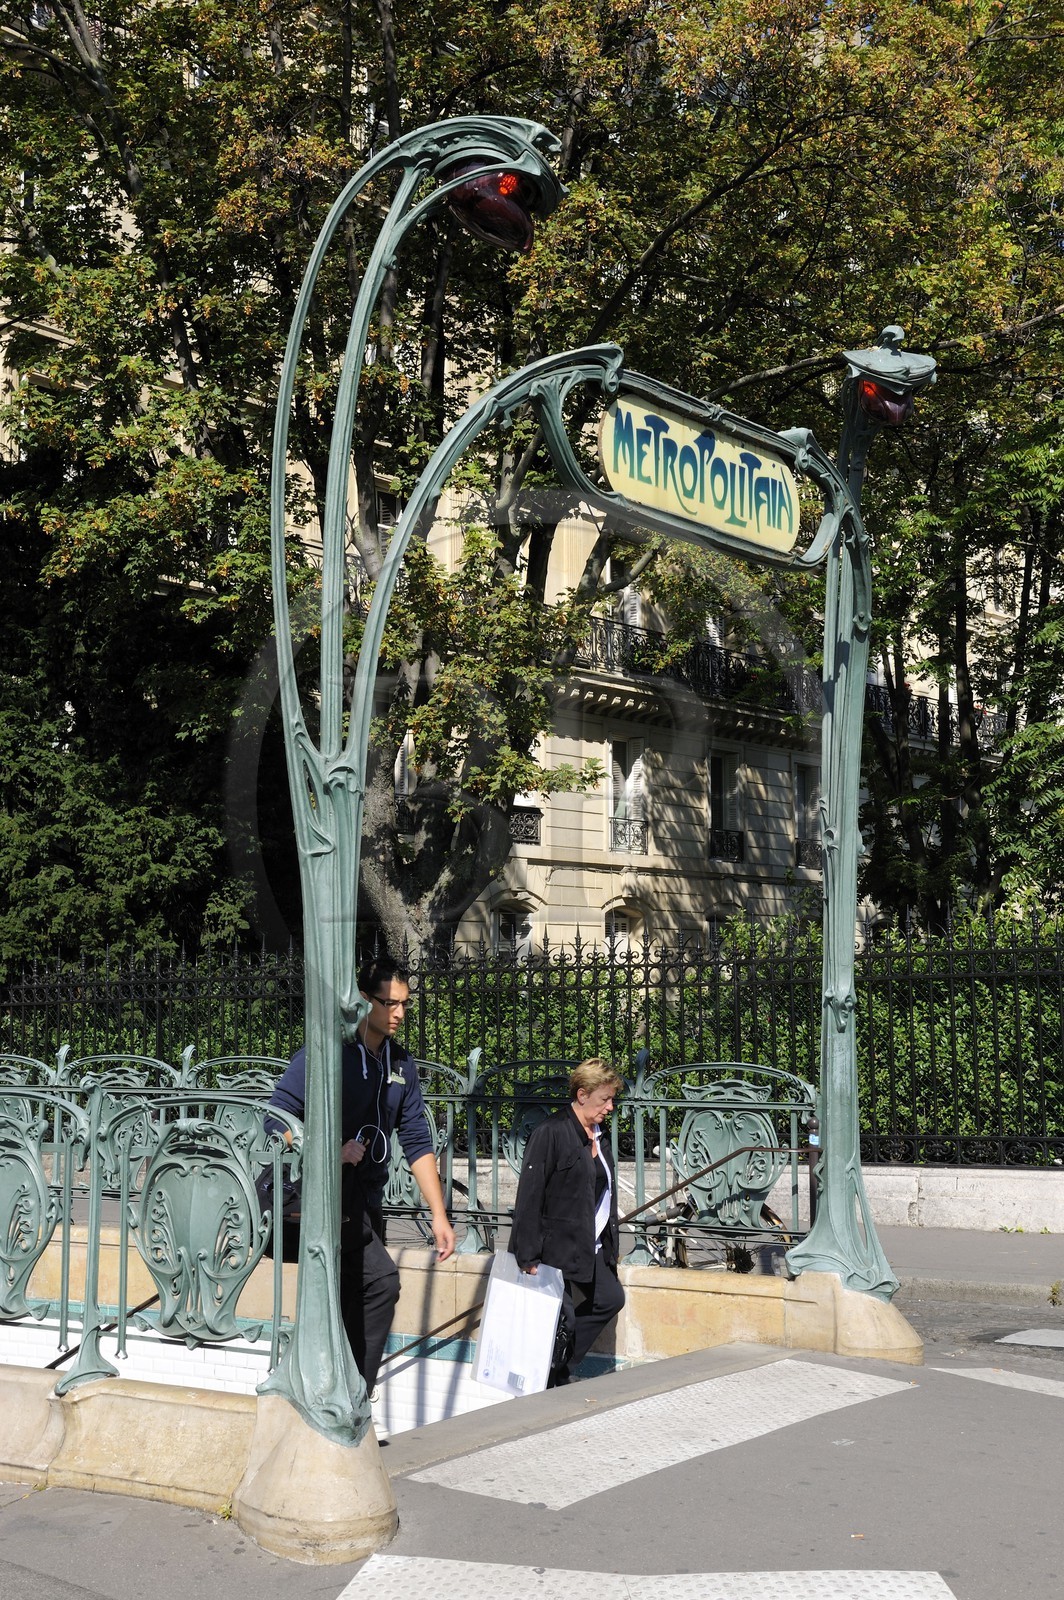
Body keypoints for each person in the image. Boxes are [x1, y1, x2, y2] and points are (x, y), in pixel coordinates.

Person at [265, 954, 455, 1394]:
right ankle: (356, 1395)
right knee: (381, 1283)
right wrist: (328, 1151)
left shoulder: (401, 1065)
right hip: (323, 1200)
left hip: (366, 1202)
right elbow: (276, 1118)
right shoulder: (326, 1053)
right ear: (364, 1000)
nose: (400, 1013)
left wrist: (439, 1215)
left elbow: (417, 1141)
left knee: (354, 1296)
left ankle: (339, 1392)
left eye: (405, 1003)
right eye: (390, 1003)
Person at [509, 1057, 626, 1386]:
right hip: (554, 1248)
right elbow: (530, 1195)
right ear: (582, 1095)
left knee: (610, 1298)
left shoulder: (599, 1135)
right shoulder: (551, 1132)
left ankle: (558, 1369)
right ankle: (548, 1379)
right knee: (564, 1321)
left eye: (612, 1099)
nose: (610, 1107)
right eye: (605, 1099)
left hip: (589, 1244)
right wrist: (527, 1254)